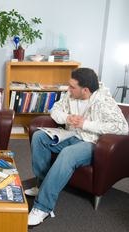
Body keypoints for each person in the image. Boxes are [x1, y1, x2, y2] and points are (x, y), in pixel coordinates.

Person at [26, 68, 128, 227]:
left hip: (91, 143)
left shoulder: (104, 101)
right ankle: (43, 185)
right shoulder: (71, 95)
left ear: (85, 90)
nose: (68, 89)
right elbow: (55, 110)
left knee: (67, 154)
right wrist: (67, 117)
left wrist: (86, 124)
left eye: (72, 87)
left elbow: (122, 128)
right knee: (39, 137)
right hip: (69, 136)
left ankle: (43, 207)